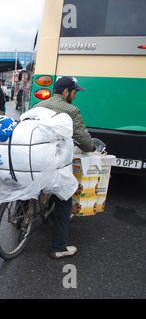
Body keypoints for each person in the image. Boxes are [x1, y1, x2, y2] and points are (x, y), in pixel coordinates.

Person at [33, 76, 102, 259]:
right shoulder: (71, 110)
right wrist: (92, 148)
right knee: (65, 197)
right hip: (53, 164)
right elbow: (84, 141)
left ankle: (22, 214)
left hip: (31, 160)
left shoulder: (37, 106)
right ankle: (59, 247)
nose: (76, 95)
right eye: (74, 92)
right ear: (65, 92)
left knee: (30, 184)